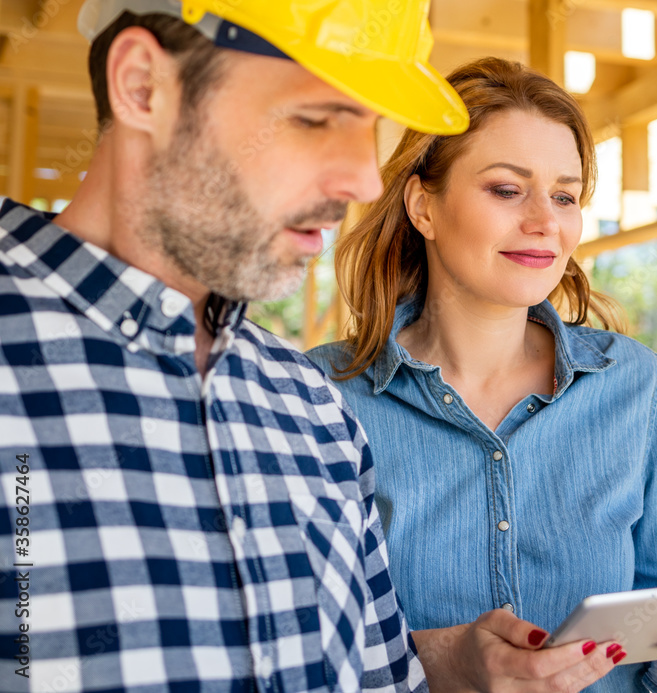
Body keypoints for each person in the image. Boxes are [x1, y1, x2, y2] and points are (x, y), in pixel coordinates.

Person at [0, 1, 500, 691]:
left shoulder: (312, 409)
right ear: (143, 86)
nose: (362, 179)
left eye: (371, 127)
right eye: (315, 118)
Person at [308, 57, 657, 693]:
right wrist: (442, 662)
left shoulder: (631, 383)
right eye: (507, 190)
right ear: (423, 207)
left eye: (565, 195)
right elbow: (293, 652)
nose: (546, 221)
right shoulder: (320, 395)